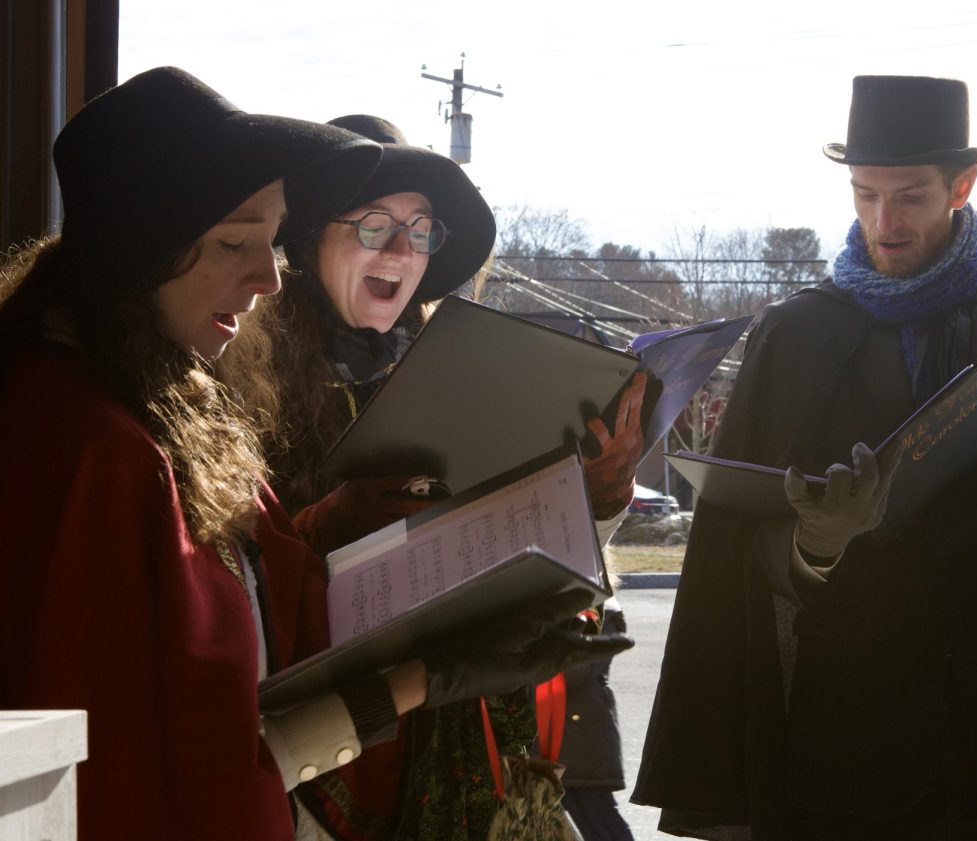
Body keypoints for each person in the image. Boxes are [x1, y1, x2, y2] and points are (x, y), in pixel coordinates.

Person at [0, 67, 628, 841]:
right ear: (141, 245)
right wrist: (424, 670)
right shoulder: (91, 447)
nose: (268, 276)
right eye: (237, 241)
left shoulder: (175, 416)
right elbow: (119, 766)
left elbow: (264, 667)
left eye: (270, 241)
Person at [632, 75, 977, 840]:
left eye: (909, 197)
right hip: (845, 758)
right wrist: (815, 546)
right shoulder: (793, 339)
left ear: (962, 186)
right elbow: (732, 559)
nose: (883, 221)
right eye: (865, 195)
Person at [232, 114, 644, 840]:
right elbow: (232, 592)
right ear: (308, 239)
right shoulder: (240, 386)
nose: (402, 248)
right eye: (374, 225)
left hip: (476, 737)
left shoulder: (462, 380)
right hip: (324, 759)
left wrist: (597, 499)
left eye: (422, 231)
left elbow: (525, 547)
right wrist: (328, 525)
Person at [558, 596, 636, 841]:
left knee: (603, 829)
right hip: (541, 740)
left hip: (579, 742)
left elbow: (577, 669)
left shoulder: (602, 609)